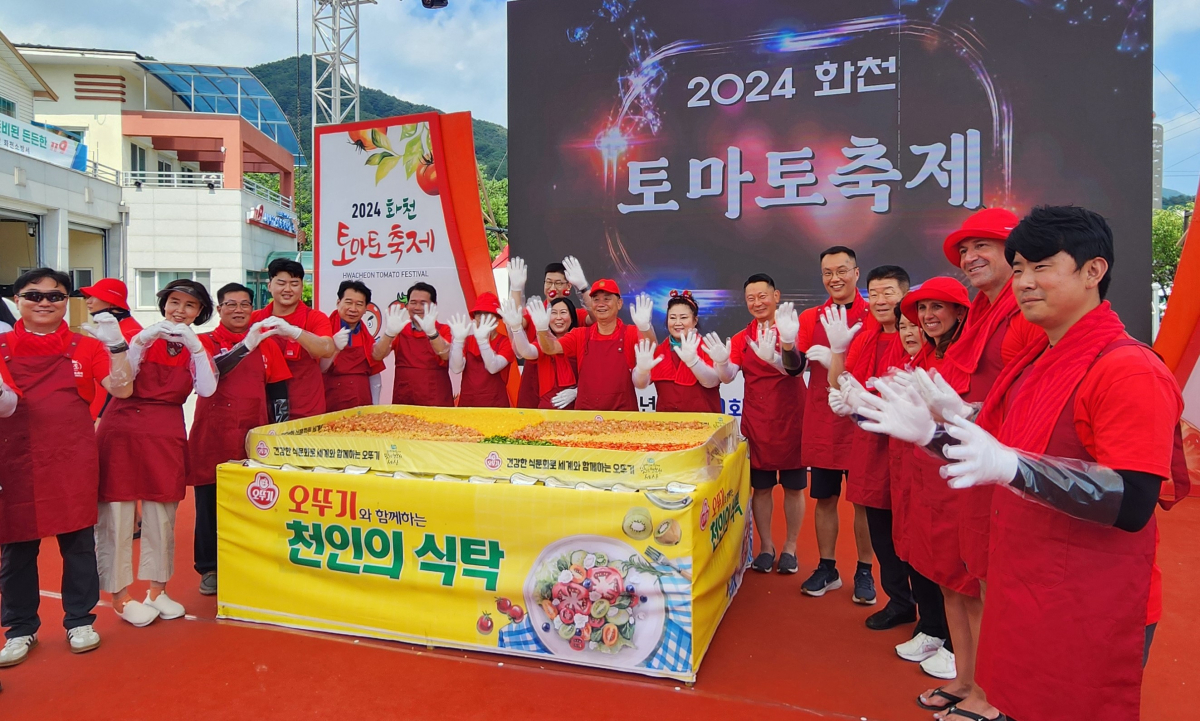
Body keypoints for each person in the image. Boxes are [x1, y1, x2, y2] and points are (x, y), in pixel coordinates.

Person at [0, 268, 134, 667]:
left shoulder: (86, 346)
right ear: (17, 300)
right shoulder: (1, 345)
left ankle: (79, 620)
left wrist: (117, 347)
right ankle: (20, 629)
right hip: (15, 458)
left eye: (54, 296)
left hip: (71, 456)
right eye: (34, 295)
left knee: (77, 544)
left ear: (67, 302)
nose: (44, 303)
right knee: (17, 547)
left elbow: (122, 388)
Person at [859, 277, 984, 697]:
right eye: (920, 313)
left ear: (961, 313)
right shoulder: (927, 357)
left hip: (956, 483)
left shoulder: (971, 356)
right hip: (920, 478)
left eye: (936, 310)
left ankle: (969, 669)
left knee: (961, 576)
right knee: (932, 566)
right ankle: (941, 640)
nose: (926, 320)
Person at [96, 279, 218, 627]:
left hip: (166, 429)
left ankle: (157, 589)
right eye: (174, 302)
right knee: (117, 512)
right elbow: (123, 382)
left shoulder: (199, 345)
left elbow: (207, 389)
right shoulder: (141, 336)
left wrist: (195, 349)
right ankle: (120, 596)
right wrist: (138, 343)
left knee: (162, 511)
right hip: (123, 428)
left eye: (190, 305)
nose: (180, 310)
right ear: (163, 304)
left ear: (199, 313)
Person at [824, 266, 923, 628]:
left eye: (889, 293)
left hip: (908, 451)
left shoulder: (915, 337)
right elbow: (841, 384)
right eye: (875, 293)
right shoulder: (865, 337)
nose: (881, 301)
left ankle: (931, 615)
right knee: (881, 531)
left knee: (913, 534)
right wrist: (836, 354)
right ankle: (899, 601)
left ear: (905, 295)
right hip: (870, 449)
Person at [188, 283, 291, 596]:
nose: (238, 310)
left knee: (254, 501)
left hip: (253, 434)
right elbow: (210, 375)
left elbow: (278, 393)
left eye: (245, 304)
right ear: (220, 310)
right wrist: (245, 346)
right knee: (209, 504)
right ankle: (209, 568)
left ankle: (249, 563)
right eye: (230, 304)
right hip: (212, 434)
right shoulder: (204, 341)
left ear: (252, 308)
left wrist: (280, 433)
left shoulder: (268, 344)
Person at [710, 274, 807, 575]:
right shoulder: (742, 337)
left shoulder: (792, 329)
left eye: (762, 296)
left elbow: (795, 370)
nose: (757, 303)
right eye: (751, 298)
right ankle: (766, 547)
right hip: (758, 421)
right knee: (761, 489)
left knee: (794, 487)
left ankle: (790, 547)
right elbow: (727, 377)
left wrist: (779, 354)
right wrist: (722, 362)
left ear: (776, 296)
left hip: (792, 418)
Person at [794, 246, 876, 601]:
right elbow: (793, 365)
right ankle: (827, 568)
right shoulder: (811, 317)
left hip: (863, 421)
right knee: (824, 497)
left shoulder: (874, 314)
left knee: (863, 501)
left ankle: (865, 571)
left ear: (857, 273)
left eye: (842, 271)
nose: (835, 279)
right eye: (828, 272)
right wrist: (783, 343)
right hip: (824, 420)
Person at [530, 279, 655, 411]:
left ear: (619, 303)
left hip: (623, 414)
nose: (601, 304)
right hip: (586, 415)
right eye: (596, 300)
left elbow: (652, 349)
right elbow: (551, 348)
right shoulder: (580, 335)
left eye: (606, 299)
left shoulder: (630, 332)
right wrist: (541, 329)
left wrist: (645, 327)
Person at [250, 258, 335, 419]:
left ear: (302, 287)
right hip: (263, 409)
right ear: (269, 286)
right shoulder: (255, 319)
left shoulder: (315, 318)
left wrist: (295, 332)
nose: (287, 289)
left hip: (305, 409)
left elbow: (327, 348)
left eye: (294, 284)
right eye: (281, 283)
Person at [506, 257, 592, 408]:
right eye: (548, 282)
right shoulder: (534, 311)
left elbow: (596, 316)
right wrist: (516, 288)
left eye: (558, 283)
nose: (553, 287)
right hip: (535, 377)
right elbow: (516, 321)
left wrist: (583, 286)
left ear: (568, 286)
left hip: (571, 382)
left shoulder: (573, 314)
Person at [632, 290, 721, 413]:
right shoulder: (660, 351)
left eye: (684, 317)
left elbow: (712, 382)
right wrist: (641, 370)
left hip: (704, 425)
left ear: (695, 320)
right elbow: (640, 385)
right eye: (672, 318)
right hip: (668, 427)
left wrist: (694, 361)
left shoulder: (708, 347)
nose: (677, 323)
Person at [372, 282, 452, 406]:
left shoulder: (444, 329)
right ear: (407, 305)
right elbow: (377, 355)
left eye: (423, 303)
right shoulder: (399, 329)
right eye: (413, 302)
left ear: (434, 306)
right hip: (405, 396)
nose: (417, 307)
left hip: (436, 397)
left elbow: (446, 355)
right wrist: (389, 333)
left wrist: (432, 333)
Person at [500, 295, 581, 409]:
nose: (558, 317)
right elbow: (526, 352)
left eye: (563, 312)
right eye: (553, 313)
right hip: (546, 410)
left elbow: (593, 376)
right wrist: (516, 328)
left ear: (572, 317)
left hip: (577, 412)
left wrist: (577, 391)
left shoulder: (581, 338)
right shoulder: (543, 342)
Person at [80, 278, 143, 420]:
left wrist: (102, 417)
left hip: (110, 411)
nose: (87, 302)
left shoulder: (129, 333)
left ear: (110, 300)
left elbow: (123, 378)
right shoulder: (119, 327)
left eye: (92, 297)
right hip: (101, 408)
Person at [322, 280, 385, 411]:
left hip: (362, 402)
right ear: (338, 302)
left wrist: (375, 407)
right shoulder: (323, 330)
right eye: (348, 302)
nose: (353, 309)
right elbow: (317, 369)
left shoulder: (367, 338)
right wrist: (333, 348)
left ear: (366, 308)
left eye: (359, 304)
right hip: (330, 402)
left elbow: (374, 375)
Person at [448, 292, 516, 408]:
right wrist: (458, 341)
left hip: (495, 404)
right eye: (479, 314)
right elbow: (456, 368)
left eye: (488, 313)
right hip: (468, 403)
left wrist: (483, 342)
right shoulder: (468, 340)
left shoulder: (507, 342)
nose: (483, 318)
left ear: (497, 318)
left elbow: (493, 368)